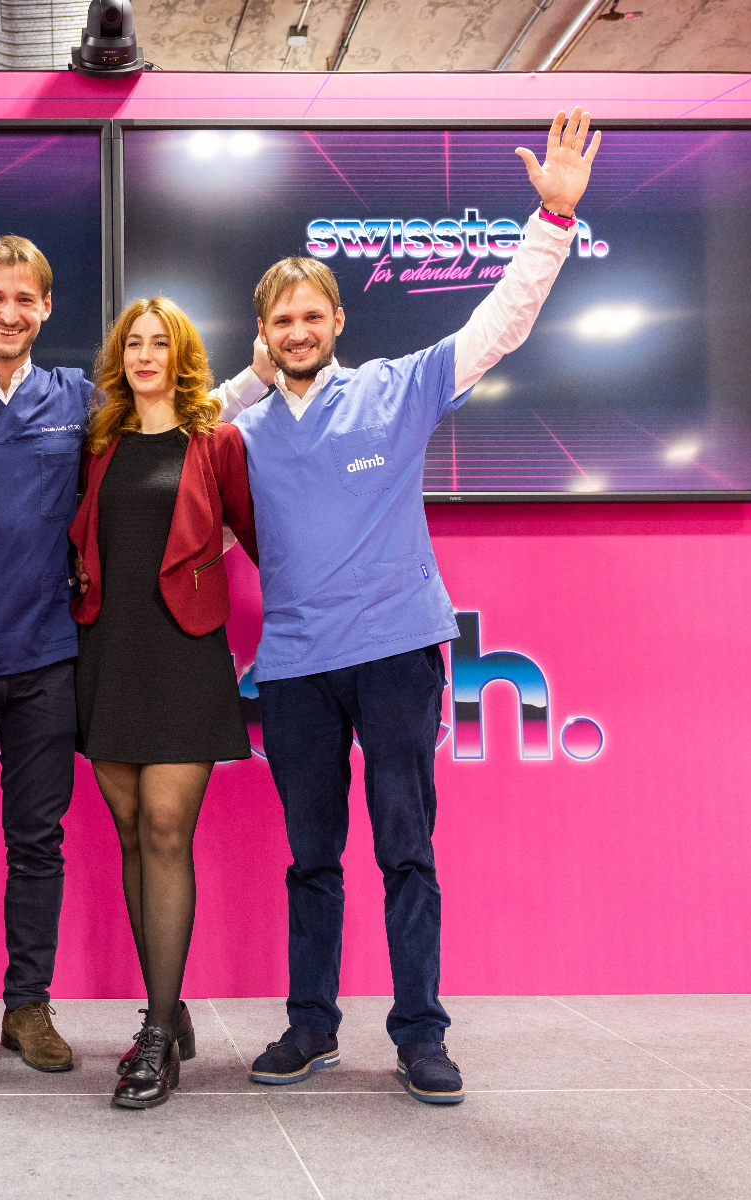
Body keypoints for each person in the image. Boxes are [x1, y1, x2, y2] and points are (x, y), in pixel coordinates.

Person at [233, 108, 603, 1104]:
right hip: (295, 669)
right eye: (280, 322)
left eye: (312, 316)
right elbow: (178, 431)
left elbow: (500, 326)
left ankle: (420, 1035)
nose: (298, 331)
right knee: (312, 861)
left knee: (407, 851)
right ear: (263, 337)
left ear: (336, 323)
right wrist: (245, 384)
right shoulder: (244, 433)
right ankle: (311, 1027)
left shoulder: (396, 390)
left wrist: (552, 221)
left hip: (397, 655)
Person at [0, 246, 274, 1077]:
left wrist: (253, 379)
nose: (9, 312)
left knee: (39, 842)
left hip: (50, 659)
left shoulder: (78, 402)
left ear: (45, 307)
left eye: (24, 298)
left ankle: (28, 1007)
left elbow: (176, 414)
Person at [68, 297, 259, 1109]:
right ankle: (169, 1005)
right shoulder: (98, 443)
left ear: (182, 357)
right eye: (133, 344)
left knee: (167, 827)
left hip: (185, 655)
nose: (146, 355)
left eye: (161, 343)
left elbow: (259, 537)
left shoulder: (217, 441)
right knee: (130, 832)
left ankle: (155, 1034)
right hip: (108, 651)